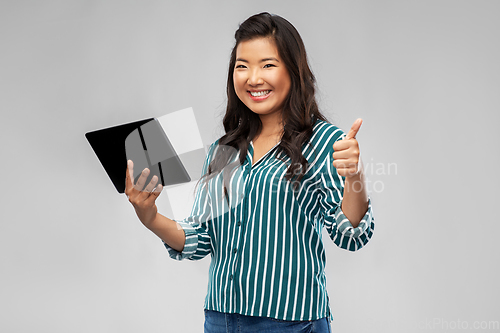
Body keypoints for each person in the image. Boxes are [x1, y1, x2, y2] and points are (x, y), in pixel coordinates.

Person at [125, 12, 374, 333]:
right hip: (221, 319)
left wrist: (355, 175)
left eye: (268, 65)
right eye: (242, 66)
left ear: (294, 71)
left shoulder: (326, 142)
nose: (253, 78)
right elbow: (202, 237)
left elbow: (350, 234)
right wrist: (150, 217)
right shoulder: (223, 150)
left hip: (290, 322)